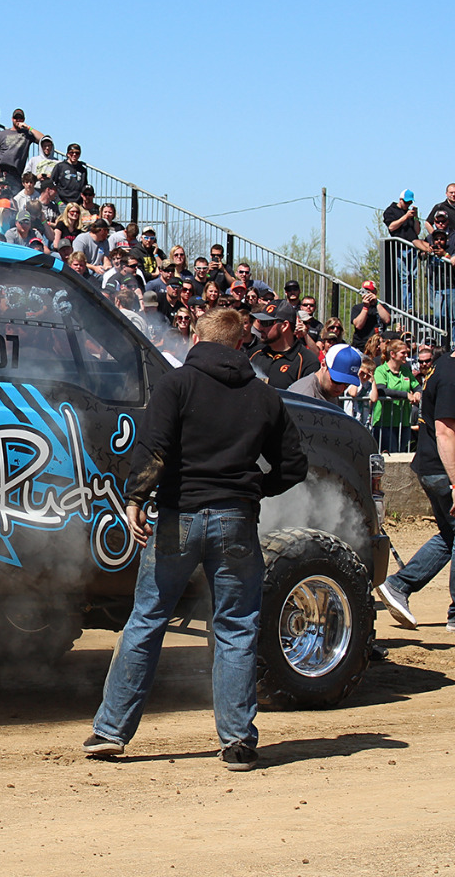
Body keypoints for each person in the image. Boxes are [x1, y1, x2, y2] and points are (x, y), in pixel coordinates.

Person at [84, 308, 307, 772]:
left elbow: (155, 448)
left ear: (195, 339)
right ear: (241, 345)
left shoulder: (177, 385)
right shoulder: (263, 395)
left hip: (178, 518)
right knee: (236, 628)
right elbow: (293, 466)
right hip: (236, 520)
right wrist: (253, 490)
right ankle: (238, 742)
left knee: (147, 620)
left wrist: (135, 499)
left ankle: (110, 732)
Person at [376, 320, 455, 636]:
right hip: (443, 470)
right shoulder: (454, 377)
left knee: (451, 535)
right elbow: (445, 432)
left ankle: (399, 585)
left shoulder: (447, 367)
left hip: (434, 466)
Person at [287, 343, 362, 404]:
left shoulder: (329, 391)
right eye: (337, 381)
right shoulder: (303, 398)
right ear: (323, 365)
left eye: (347, 384)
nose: (340, 389)